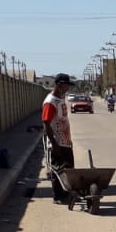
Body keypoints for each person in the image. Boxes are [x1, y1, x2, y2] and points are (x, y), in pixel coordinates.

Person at [42, 73, 75, 204]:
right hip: (57, 143)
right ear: (59, 85)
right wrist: (55, 145)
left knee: (68, 169)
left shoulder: (60, 99)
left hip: (65, 141)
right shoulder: (50, 102)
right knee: (58, 170)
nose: (68, 89)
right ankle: (58, 197)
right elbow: (46, 123)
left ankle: (65, 194)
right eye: (66, 85)